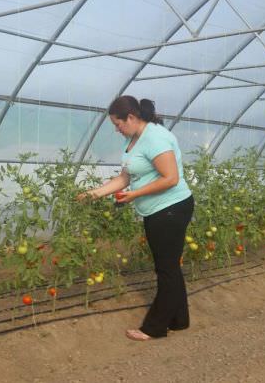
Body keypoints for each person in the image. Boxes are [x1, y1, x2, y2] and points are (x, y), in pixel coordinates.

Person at [79, 95, 194, 341]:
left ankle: (155, 327)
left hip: (171, 209)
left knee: (166, 269)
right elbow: (124, 178)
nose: (116, 129)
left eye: (118, 124)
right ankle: (179, 320)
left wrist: (135, 195)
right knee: (170, 266)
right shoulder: (135, 140)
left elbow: (170, 178)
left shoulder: (155, 138)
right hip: (158, 210)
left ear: (131, 117)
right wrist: (94, 193)